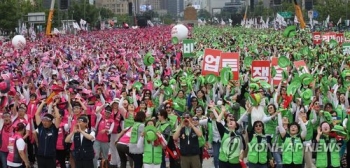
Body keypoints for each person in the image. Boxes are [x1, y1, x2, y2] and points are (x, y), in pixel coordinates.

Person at [34, 100, 61, 168]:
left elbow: (58, 117)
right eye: (43, 120)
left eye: (47, 121)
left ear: (51, 122)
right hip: (40, 156)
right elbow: (36, 114)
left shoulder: (54, 129)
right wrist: (42, 103)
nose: (44, 122)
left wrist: (54, 106)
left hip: (51, 157)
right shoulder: (40, 127)